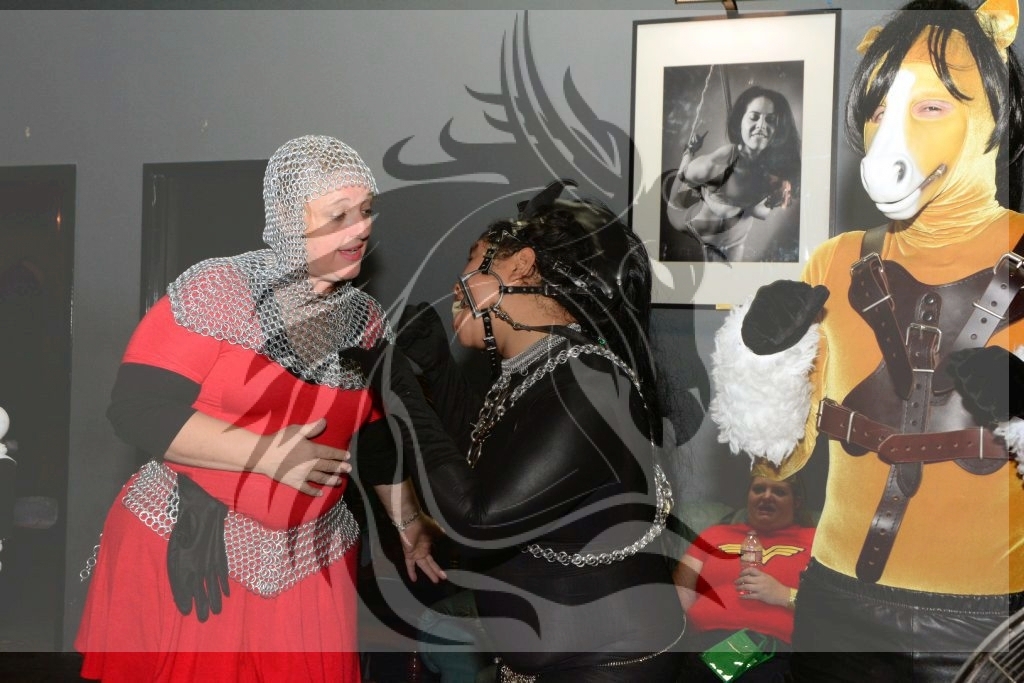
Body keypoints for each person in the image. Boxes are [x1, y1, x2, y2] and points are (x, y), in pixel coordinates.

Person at [709, 2, 1024, 680]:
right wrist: (763, 362)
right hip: (836, 608)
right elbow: (779, 461)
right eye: (879, 111)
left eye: (931, 107)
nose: (888, 137)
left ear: (992, 113)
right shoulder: (835, 260)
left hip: (986, 625)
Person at [74, 135, 445, 683]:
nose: (361, 228)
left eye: (366, 211)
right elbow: (136, 408)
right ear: (290, 220)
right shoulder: (219, 290)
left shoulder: (364, 318)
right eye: (339, 214)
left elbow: (372, 436)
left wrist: (407, 520)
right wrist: (266, 456)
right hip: (194, 540)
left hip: (312, 559)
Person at [378, 179, 686, 681]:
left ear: (520, 264)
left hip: (608, 668)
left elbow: (478, 518)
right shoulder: (543, 373)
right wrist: (436, 369)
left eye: (471, 261)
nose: (456, 284)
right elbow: (482, 467)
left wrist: (396, 388)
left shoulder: (591, 381)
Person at [673, 473, 815, 682]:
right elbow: (678, 598)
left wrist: (783, 595)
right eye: (758, 489)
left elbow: (832, 610)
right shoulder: (714, 535)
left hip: (772, 651)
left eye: (779, 492)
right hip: (703, 647)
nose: (766, 496)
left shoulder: (815, 541)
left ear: (797, 502)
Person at [664, 85, 801, 263]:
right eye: (754, 117)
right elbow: (678, 195)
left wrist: (772, 199)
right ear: (740, 122)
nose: (761, 126)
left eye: (770, 120)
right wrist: (689, 154)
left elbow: (759, 212)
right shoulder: (716, 164)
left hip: (736, 241)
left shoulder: (775, 169)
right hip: (697, 234)